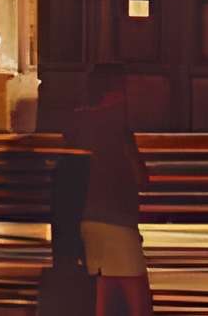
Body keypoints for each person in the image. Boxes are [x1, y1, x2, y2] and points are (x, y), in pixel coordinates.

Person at [62, 66, 153, 316]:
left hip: (88, 221)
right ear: (112, 94)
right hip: (118, 222)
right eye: (122, 89)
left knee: (103, 299)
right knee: (139, 305)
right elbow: (142, 179)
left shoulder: (76, 124)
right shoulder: (118, 128)